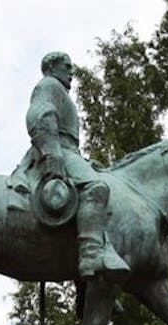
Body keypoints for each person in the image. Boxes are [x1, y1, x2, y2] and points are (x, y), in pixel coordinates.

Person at [20, 51, 129, 281]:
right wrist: (52, 153)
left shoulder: (59, 91)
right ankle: (91, 254)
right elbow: (40, 115)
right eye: (67, 67)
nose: (72, 72)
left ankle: (87, 285)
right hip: (59, 150)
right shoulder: (49, 85)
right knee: (96, 188)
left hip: (70, 152)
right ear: (51, 68)